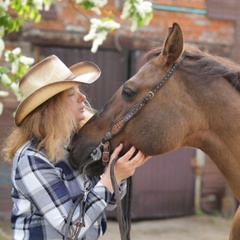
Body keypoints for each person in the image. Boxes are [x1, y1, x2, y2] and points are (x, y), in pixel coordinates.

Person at [2, 55, 150, 240]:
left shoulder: (75, 144)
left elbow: (110, 201)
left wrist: (119, 170)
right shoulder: (32, 159)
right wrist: (113, 178)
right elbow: (70, 227)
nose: (83, 97)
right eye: (71, 94)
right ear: (52, 107)